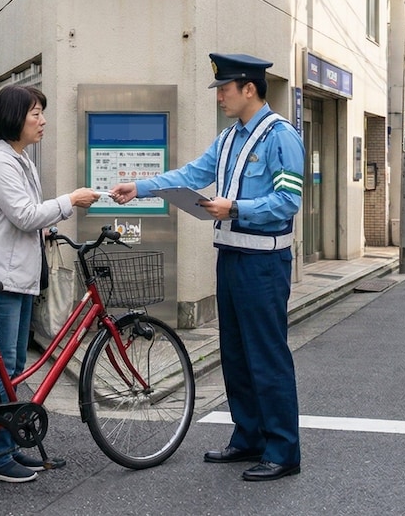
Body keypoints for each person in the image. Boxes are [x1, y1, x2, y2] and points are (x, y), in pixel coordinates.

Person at [110, 53, 304, 481]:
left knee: (266, 355)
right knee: (235, 353)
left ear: (249, 88)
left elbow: (288, 201)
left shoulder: (281, 136)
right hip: (230, 257)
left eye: (225, 89)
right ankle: (248, 437)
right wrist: (140, 187)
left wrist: (235, 207)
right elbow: (193, 174)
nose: (220, 97)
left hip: (264, 263)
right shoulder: (229, 138)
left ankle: (283, 450)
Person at [0, 85, 99, 482]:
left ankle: (5, 448)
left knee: (12, 368)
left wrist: (49, 226)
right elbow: (24, 214)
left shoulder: (19, 160)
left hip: (15, 279)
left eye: (41, 112)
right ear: (14, 117)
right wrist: (70, 200)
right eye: (35, 113)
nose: (42, 120)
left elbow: (22, 218)